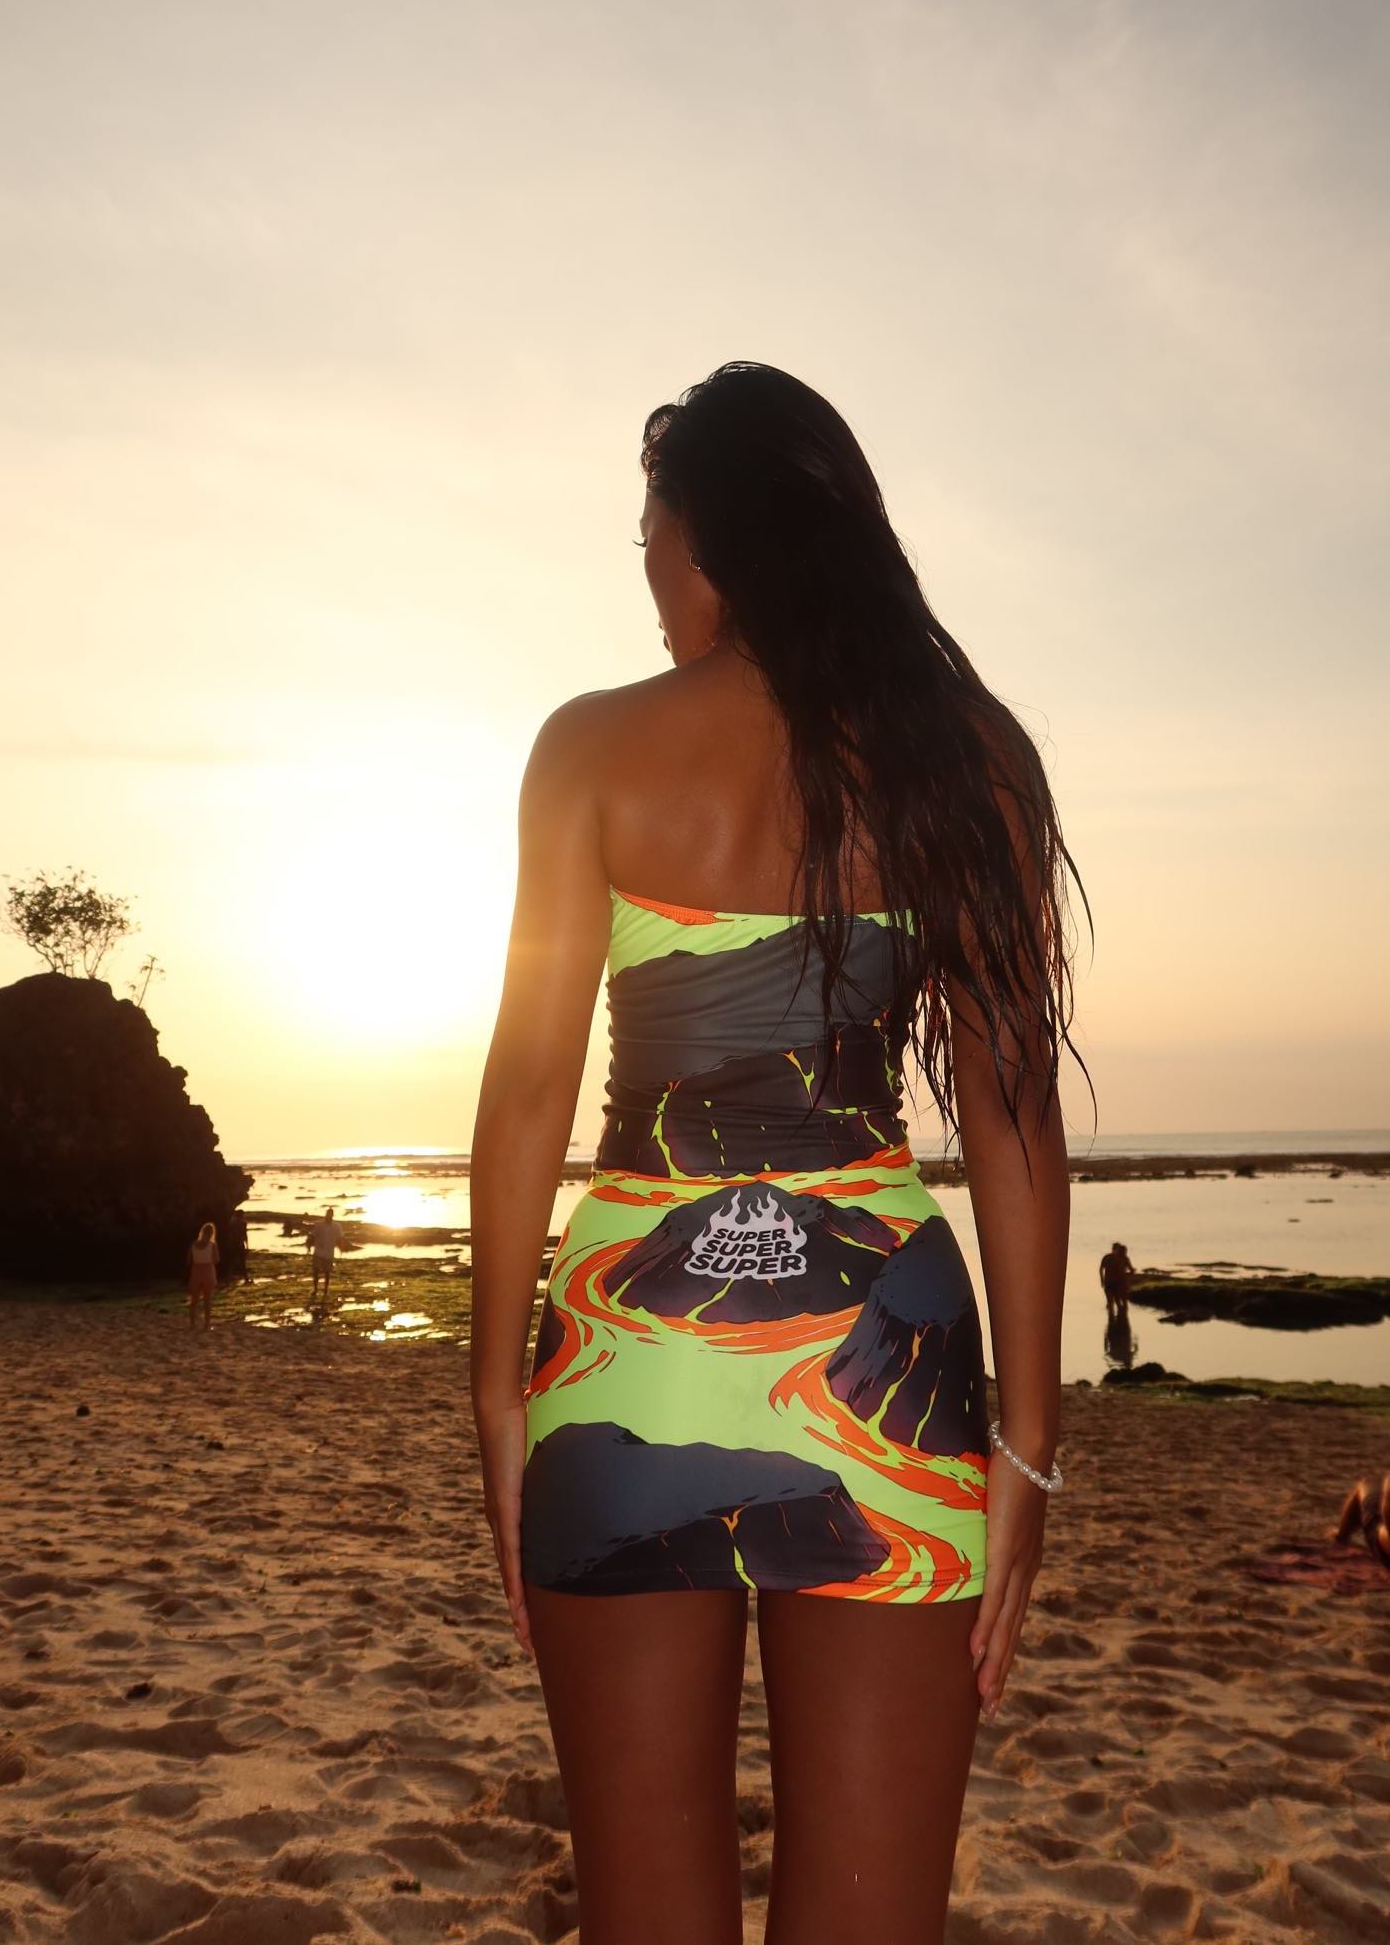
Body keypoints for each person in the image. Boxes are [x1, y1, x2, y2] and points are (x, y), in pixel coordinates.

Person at [469, 362, 1087, 1945]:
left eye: (650, 541)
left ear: (712, 544)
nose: (655, 582)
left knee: (647, 1908)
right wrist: (1027, 1440)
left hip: (631, 1341)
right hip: (893, 1351)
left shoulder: (590, 749)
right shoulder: (970, 755)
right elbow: (1014, 1113)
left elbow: (533, 1085)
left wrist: (493, 1383)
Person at [186, 1220, 220, 1333]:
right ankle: (206, 1325)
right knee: (207, 1300)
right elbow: (216, 1259)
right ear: (212, 1233)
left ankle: (192, 1324)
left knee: (194, 1300)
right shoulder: (212, 1245)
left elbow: (188, 1260)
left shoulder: (193, 1244)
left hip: (196, 1271)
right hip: (208, 1271)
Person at [308, 1207, 342, 1306]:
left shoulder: (337, 1226)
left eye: (330, 1214)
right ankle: (315, 1289)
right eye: (327, 1214)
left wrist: (341, 1249)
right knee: (316, 1270)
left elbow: (339, 1239)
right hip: (318, 1251)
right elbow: (313, 1235)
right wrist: (309, 1246)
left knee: (327, 1272)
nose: (328, 1216)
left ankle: (325, 1290)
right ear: (326, 1214)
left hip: (329, 1252)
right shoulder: (318, 1224)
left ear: (332, 1215)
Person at [1099, 1240, 1133, 1315]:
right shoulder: (1109, 1257)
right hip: (1112, 1283)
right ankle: (1115, 1319)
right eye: (1116, 1250)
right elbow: (1101, 1269)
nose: (1117, 1252)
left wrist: (1102, 1280)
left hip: (1114, 1283)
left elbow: (1131, 1270)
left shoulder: (1122, 1258)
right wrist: (1102, 1280)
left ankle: (1118, 1319)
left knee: (1115, 1302)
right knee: (1113, 1302)